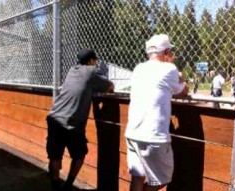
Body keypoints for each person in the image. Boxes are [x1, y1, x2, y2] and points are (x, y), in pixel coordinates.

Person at [125, 34, 189, 191]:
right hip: (155, 137)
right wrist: (181, 77)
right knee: (163, 179)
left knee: (137, 177)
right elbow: (183, 91)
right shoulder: (170, 68)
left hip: (133, 133)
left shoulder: (139, 68)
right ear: (167, 52)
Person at [46, 49, 114, 191]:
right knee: (79, 155)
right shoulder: (91, 72)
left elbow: (82, 86)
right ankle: (68, 186)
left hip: (54, 117)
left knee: (55, 156)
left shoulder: (72, 70)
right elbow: (110, 87)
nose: (95, 63)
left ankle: (55, 186)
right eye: (94, 60)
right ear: (90, 61)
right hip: (71, 123)